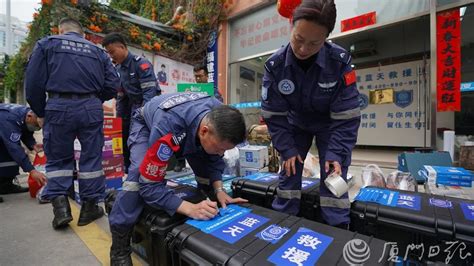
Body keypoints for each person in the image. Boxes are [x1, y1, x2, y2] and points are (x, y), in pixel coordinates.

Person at [109, 92, 248, 265]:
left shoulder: (218, 117)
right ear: (204, 131)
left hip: (189, 129)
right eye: (220, 148)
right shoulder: (168, 125)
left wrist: (219, 190)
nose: (222, 154)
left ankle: (206, 210)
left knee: (207, 170)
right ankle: (119, 249)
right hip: (147, 124)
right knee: (138, 178)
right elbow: (150, 187)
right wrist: (189, 208)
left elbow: (214, 159)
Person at [261, 0, 360, 229]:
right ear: (291, 26)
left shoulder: (339, 63)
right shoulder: (275, 66)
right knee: (289, 172)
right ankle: (282, 224)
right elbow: (274, 115)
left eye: (315, 43)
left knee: (334, 177)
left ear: (326, 38)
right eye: (299, 39)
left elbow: (347, 116)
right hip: (295, 125)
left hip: (332, 126)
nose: (304, 49)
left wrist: (337, 152)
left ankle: (337, 231)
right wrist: (286, 149)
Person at [25, 18, 120, 229]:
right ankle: (89, 208)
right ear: (82, 34)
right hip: (90, 108)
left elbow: (32, 83)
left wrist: (41, 111)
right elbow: (113, 84)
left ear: (61, 30)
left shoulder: (47, 44)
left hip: (58, 107)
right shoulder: (97, 52)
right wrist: (94, 99)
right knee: (91, 159)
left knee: (58, 160)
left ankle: (61, 210)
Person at [102, 33, 161, 173]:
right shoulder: (118, 69)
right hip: (132, 106)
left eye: (112, 52)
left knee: (138, 138)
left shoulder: (141, 64)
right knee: (122, 134)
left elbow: (149, 94)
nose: (111, 56)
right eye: (108, 53)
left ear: (122, 47)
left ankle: (144, 170)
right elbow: (122, 97)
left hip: (149, 107)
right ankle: (128, 170)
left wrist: (142, 116)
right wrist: (120, 121)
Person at [0, 104, 47, 195]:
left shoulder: (26, 114)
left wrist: (32, 144)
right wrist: (32, 171)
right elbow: (15, 148)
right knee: (13, 150)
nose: (37, 128)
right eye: (36, 125)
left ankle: (5, 185)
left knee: (8, 156)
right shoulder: (10, 119)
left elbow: (25, 130)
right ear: (29, 117)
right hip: (4, 124)